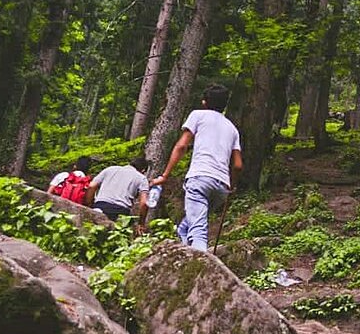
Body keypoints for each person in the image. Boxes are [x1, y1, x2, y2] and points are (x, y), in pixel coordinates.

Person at [150, 83, 243, 251]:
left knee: (198, 230)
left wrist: (165, 175)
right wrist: (232, 187)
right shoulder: (233, 129)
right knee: (186, 226)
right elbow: (237, 165)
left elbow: (181, 146)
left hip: (200, 178)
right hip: (221, 186)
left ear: (204, 102)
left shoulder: (198, 115)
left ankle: (199, 268)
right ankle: (185, 253)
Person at [86, 157, 150, 232]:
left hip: (100, 206)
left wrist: (89, 205)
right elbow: (144, 203)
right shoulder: (141, 178)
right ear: (143, 170)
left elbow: (91, 186)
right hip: (120, 212)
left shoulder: (110, 169)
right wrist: (141, 223)